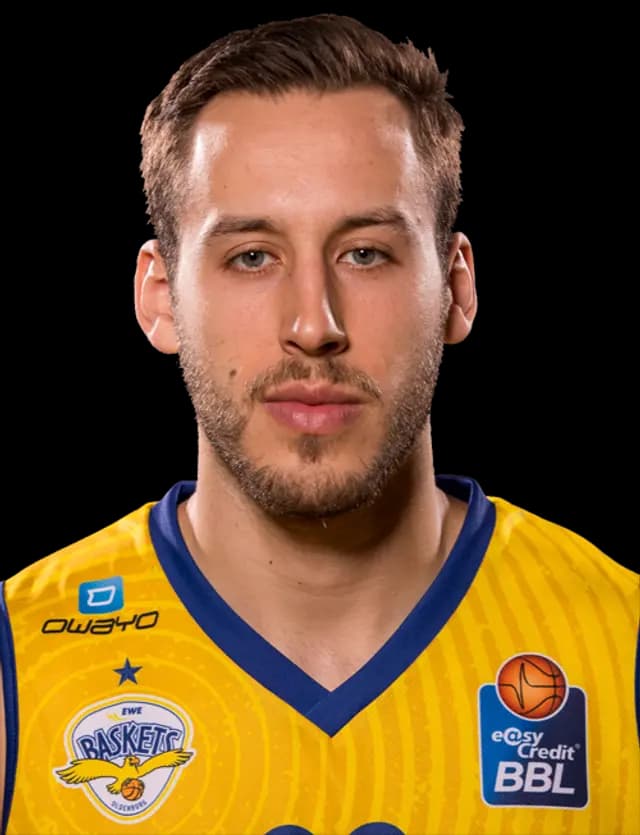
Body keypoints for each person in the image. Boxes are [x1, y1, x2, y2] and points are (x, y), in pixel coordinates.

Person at [0, 12, 637, 835]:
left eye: (365, 252)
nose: (313, 324)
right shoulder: (21, 665)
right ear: (159, 298)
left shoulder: (620, 642)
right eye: (251, 256)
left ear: (456, 287)